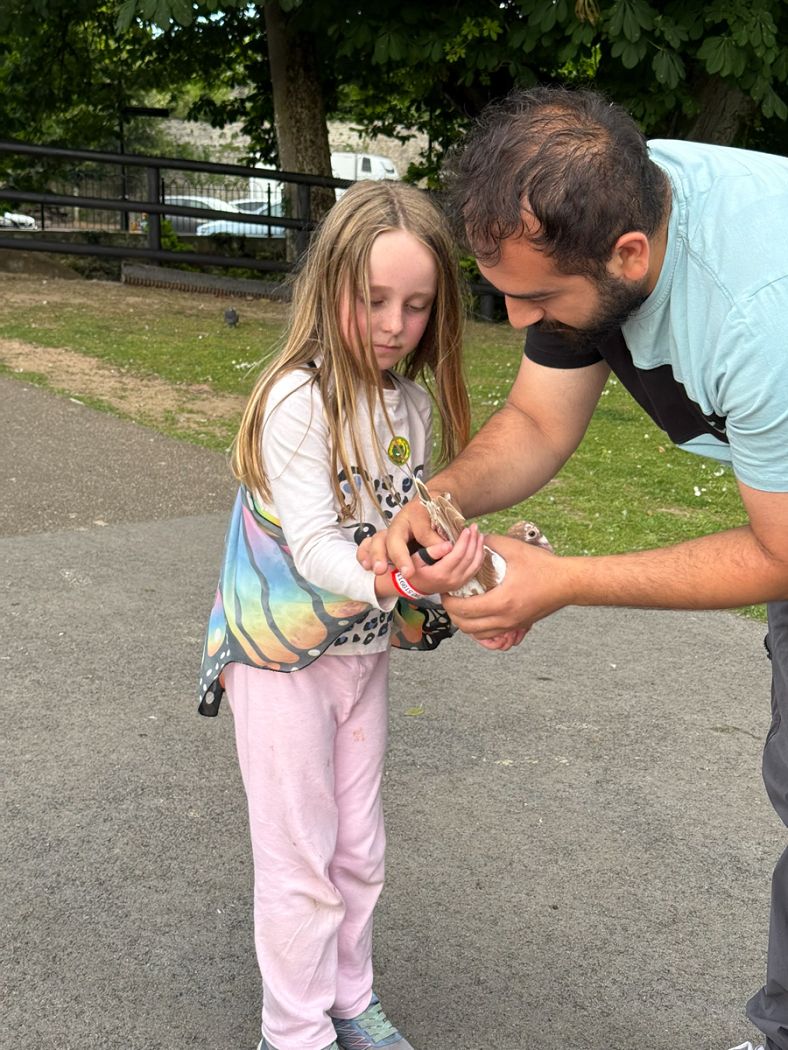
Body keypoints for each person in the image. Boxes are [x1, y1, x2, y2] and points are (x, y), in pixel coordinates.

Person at [358, 86, 788, 1050]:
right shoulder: (582, 210)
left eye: (540, 299)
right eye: (506, 292)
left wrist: (565, 580)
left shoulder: (760, 313)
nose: (519, 318)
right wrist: (438, 499)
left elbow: (780, 552)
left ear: (629, 256)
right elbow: (538, 420)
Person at [195, 179, 516, 1050]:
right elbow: (317, 549)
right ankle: (293, 1031)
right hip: (282, 663)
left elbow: (406, 535)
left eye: (416, 305)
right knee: (300, 859)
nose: (392, 325)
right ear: (329, 283)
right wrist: (402, 583)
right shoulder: (296, 400)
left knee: (359, 849)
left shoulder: (408, 405)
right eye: (372, 300)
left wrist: (480, 573)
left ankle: (349, 999)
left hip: (359, 655)